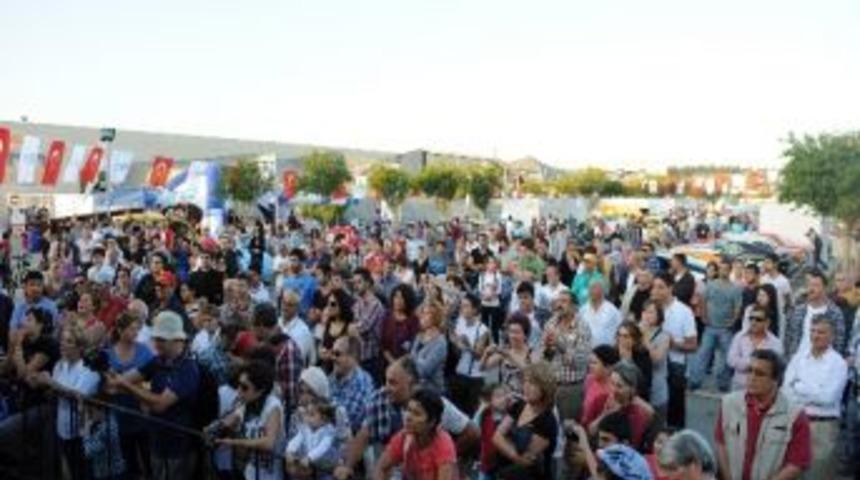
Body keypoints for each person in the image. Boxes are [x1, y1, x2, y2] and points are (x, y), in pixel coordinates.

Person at [333, 357, 478, 480]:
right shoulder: (399, 428)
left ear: (411, 383)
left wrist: (448, 457)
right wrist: (347, 467)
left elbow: (473, 432)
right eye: (386, 381)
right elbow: (365, 436)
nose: (386, 388)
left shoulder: (435, 405)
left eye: (393, 382)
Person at [106, 311, 201, 480]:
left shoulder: (188, 368)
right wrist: (110, 373)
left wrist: (126, 385)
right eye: (156, 338)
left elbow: (160, 404)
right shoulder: (158, 361)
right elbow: (116, 384)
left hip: (178, 446)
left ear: (176, 340)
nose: (156, 343)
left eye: (161, 339)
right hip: (157, 441)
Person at [714, 349, 811, 480]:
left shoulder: (795, 416)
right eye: (750, 370)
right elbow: (721, 444)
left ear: (776, 380)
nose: (752, 377)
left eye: (760, 374)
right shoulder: (729, 404)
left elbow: (797, 464)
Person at [30, 324, 100, 480]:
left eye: (68, 341)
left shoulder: (89, 369)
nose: (62, 344)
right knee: (71, 469)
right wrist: (40, 382)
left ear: (80, 347)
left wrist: (50, 383)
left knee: (85, 473)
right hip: (62, 426)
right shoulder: (59, 365)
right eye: (62, 340)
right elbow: (55, 390)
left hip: (83, 431)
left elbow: (78, 394)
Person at [781, 315, 848, 478]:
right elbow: (785, 391)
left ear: (832, 336)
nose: (815, 335)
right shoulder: (799, 357)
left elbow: (828, 398)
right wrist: (815, 391)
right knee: (790, 473)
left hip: (822, 428)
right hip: (795, 422)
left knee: (816, 475)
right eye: (813, 331)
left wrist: (799, 387)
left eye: (821, 332)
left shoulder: (838, 363)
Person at [215, 359, 286, 480]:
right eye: (238, 385)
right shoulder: (246, 404)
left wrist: (234, 442)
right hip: (251, 472)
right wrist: (215, 428)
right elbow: (229, 421)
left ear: (260, 390)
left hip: (270, 475)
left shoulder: (273, 405)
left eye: (244, 387)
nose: (238, 391)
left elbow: (268, 443)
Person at [105, 312, 155, 478]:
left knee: (149, 459)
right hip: (119, 415)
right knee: (128, 461)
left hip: (142, 413)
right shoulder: (109, 353)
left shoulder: (144, 350)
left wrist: (121, 386)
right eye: (132, 329)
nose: (136, 333)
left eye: (137, 329)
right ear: (120, 330)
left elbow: (152, 381)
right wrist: (133, 385)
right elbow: (107, 387)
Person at [492, 361, 559, 479]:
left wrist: (504, 442)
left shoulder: (547, 421)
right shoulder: (519, 405)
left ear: (545, 388)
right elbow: (496, 437)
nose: (526, 386)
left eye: (533, 383)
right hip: (505, 472)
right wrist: (514, 454)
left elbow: (526, 459)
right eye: (525, 381)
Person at [373, 388, 458, 480]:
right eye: (408, 410)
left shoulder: (443, 444)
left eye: (417, 414)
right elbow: (381, 467)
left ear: (432, 422)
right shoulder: (403, 436)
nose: (408, 417)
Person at [650, 272, 696, 429]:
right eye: (654, 287)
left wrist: (670, 343)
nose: (655, 291)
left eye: (660, 287)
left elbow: (692, 345)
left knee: (675, 413)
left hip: (675, 367)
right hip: (654, 366)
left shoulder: (684, 311)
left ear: (670, 288)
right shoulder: (651, 309)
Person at [690, 258, 741, 392]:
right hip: (710, 327)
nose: (723, 271)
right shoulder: (711, 285)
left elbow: (737, 307)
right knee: (703, 354)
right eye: (721, 268)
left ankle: (723, 383)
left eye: (726, 269)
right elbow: (703, 300)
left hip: (725, 328)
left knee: (726, 358)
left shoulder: (735, 288)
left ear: (730, 271)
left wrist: (733, 321)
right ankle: (695, 381)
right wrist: (703, 316)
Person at [541, 289, 592, 421]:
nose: (559, 304)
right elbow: (545, 357)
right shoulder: (551, 323)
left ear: (574, 306)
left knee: (569, 429)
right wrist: (547, 348)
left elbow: (581, 362)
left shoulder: (582, 327)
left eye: (564, 301)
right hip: (551, 385)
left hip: (571, 388)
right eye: (558, 301)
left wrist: (560, 343)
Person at [587, 361, 654, 451]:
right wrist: (606, 413)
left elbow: (633, 445)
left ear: (632, 389)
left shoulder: (639, 413)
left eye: (619, 386)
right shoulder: (601, 399)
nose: (613, 389)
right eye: (612, 383)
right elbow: (590, 432)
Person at [784, 269, 846, 358]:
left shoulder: (835, 313)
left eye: (816, 285)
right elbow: (788, 337)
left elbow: (839, 341)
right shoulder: (797, 310)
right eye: (809, 285)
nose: (811, 289)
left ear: (825, 288)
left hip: (824, 364)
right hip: (798, 361)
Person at [450, 293, 491, 416]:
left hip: (475, 378)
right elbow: (457, 350)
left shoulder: (483, 329)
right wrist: (455, 342)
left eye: (466, 306)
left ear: (475, 309)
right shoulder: (459, 323)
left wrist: (467, 345)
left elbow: (479, 355)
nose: (463, 309)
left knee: (470, 413)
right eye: (462, 306)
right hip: (459, 373)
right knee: (456, 411)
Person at [726, 306, 783, 391]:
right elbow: (731, 360)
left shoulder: (775, 343)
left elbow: (776, 367)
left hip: (763, 389)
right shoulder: (740, 337)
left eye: (758, 319)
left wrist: (747, 364)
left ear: (767, 322)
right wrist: (753, 364)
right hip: (740, 386)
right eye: (751, 318)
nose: (753, 322)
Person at [328, 336, 376, 433]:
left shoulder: (362, 382)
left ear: (352, 357)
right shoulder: (333, 376)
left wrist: (322, 409)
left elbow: (349, 421)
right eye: (332, 353)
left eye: (337, 354)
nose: (332, 358)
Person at [482, 313, 536, 398]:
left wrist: (510, 356)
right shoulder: (505, 350)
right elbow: (483, 368)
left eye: (517, 332)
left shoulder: (532, 353)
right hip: (505, 400)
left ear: (525, 335)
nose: (513, 336)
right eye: (511, 332)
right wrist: (486, 354)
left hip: (525, 399)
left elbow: (532, 374)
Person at [349, 267, 386, 381]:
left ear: (368, 283)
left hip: (371, 358)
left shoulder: (375, 304)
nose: (356, 285)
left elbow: (362, 328)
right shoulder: (358, 302)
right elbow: (352, 326)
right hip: (358, 355)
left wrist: (353, 328)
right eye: (354, 282)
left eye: (359, 282)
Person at [285, 399, 338, 477]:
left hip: (325, 467)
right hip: (310, 465)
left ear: (324, 419)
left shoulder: (328, 432)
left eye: (312, 415)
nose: (307, 418)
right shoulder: (305, 429)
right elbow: (297, 440)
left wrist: (309, 457)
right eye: (307, 414)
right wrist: (290, 451)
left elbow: (322, 447)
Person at [638, 300, 670, 420]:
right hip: (639, 386)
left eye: (651, 312)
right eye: (644, 311)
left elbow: (657, 359)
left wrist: (645, 337)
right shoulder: (635, 332)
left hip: (656, 388)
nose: (646, 315)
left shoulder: (664, 336)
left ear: (659, 316)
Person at [410, 300, 448, 392]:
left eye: (426, 313)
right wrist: (419, 360)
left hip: (432, 391)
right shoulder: (419, 336)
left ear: (435, 317)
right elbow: (410, 361)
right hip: (416, 387)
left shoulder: (440, 342)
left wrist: (414, 359)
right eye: (422, 312)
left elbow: (424, 371)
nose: (422, 316)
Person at [380, 284, 420, 367]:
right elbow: (383, 344)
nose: (398, 300)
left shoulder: (413, 320)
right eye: (396, 297)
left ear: (407, 300)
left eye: (401, 298)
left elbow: (414, 346)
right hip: (387, 362)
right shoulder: (387, 315)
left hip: (406, 364)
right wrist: (393, 363)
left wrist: (399, 364)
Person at [615, 321, 653, 401]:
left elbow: (645, 384)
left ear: (634, 339)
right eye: (619, 335)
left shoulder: (643, 355)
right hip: (617, 398)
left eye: (626, 336)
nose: (621, 339)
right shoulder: (613, 353)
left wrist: (628, 360)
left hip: (637, 399)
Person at [580, 280, 622, 347]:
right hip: (586, 349)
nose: (590, 291)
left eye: (594, 288)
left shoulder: (612, 311)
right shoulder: (583, 310)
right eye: (589, 288)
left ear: (602, 291)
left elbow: (620, 329)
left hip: (606, 350)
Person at [280, 290, 315, 366]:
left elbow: (297, 359)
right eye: (284, 303)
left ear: (297, 307)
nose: (285, 307)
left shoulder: (303, 331)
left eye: (289, 305)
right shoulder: (276, 322)